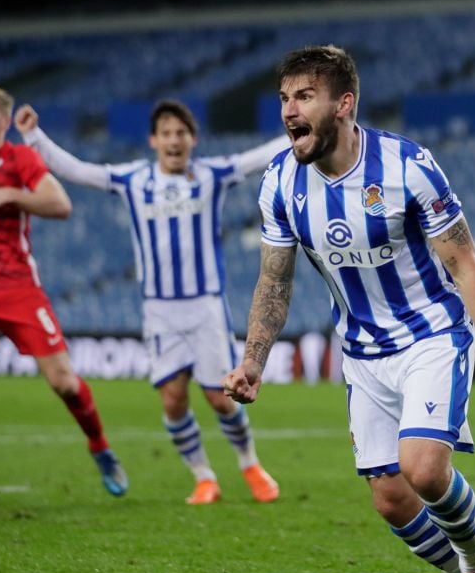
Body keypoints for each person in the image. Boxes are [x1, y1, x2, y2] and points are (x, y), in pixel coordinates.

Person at [222, 45, 475, 573]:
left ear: (344, 104)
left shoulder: (407, 166)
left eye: (304, 96)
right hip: (363, 353)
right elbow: (274, 280)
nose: (290, 110)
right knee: (391, 502)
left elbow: (465, 265)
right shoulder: (281, 183)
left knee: (421, 469)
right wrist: (251, 362)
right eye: (284, 98)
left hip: (431, 337)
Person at [16, 100, 287, 505]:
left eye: (181, 133)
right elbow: (78, 171)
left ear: (192, 139)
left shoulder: (212, 175)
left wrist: (308, 127)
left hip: (205, 307)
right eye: (166, 133)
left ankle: (250, 464)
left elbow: (258, 158)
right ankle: (203, 477)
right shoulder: (134, 179)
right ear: (153, 140)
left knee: (220, 396)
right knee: (173, 400)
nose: (174, 140)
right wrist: (34, 136)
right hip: (159, 310)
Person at [0, 80, 127, 509]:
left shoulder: (19, 158)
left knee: (64, 382)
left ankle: (100, 447)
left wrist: (10, 193)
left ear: (2, 119)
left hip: (17, 289)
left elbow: (61, 204)